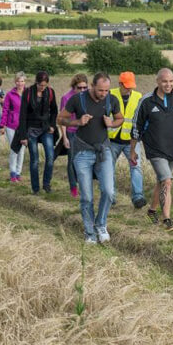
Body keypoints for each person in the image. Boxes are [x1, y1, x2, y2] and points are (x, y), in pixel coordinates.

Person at [57, 72, 124, 244]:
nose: (104, 94)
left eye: (107, 90)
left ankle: (101, 224)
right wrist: (77, 122)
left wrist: (112, 123)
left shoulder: (111, 99)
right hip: (82, 152)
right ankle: (89, 233)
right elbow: (60, 118)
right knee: (86, 196)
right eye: (100, 90)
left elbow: (120, 119)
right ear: (92, 86)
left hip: (104, 150)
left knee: (109, 191)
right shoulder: (78, 100)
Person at [130, 68, 173, 231]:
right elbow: (136, 126)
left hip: (172, 149)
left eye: (171, 81)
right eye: (165, 81)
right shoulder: (146, 101)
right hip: (154, 149)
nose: (168, 84)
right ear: (158, 81)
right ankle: (167, 219)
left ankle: (152, 211)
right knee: (167, 180)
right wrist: (133, 150)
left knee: (161, 182)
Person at [13, 71, 58, 195]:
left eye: (44, 85)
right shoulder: (28, 92)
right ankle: (35, 188)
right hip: (31, 129)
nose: (42, 88)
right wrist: (23, 136)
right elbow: (22, 115)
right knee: (35, 160)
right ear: (36, 82)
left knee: (50, 157)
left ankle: (46, 184)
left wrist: (53, 125)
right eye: (40, 85)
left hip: (45, 128)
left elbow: (54, 110)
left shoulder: (50, 92)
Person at [108, 72, 147, 209]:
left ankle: (138, 197)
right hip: (112, 140)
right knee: (109, 168)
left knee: (136, 167)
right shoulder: (109, 94)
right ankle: (110, 197)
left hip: (132, 142)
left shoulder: (138, 97)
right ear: (120, 84)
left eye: (131, 86)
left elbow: (143, 118)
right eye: (126, 86)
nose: (129, 89)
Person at [58, 73, 89, 198]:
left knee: (83, 160)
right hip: (71, 132)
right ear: (73, 87)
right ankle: (73, 187)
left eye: (84, 88)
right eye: (79, 88)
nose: (82, 90)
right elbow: (61, 119)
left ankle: (83, 185)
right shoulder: (66, 98)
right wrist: (64, 137)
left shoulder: (88, 97)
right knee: (71, 160)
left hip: (84, 132)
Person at [0, 71, 26, 183]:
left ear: (25, 82)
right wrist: (2, 125)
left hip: (24, 126)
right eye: (18, 81)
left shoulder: (28, 93)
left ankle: (19, 173)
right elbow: (5, 110)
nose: (20, 83)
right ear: (15, 82)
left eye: (22, 81)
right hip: (11, 126)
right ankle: (12, 173)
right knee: (14, 150)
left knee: (22, 150)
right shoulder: (10, 94)